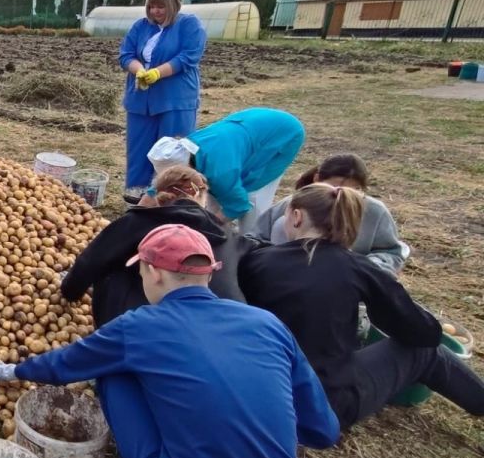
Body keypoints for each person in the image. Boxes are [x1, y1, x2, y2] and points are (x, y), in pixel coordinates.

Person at [0, 225, 339, 458]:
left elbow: (67, 364)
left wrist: (12, 371)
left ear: (153, 272)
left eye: (140, 272)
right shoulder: (268, 324)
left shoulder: (140, 327)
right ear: (209, 274)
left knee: (114, 373)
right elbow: (323, 430)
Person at [240, 184, 484, 430]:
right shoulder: (359, 269)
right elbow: (424, 333)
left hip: (259, 398)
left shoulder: (256, 260)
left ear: (296, 216)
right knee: (426, 351)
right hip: (319, 408)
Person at [60, 165, 252, 326]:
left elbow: (91, 261)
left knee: (113, 266)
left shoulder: (140, 221)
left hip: (145, 326)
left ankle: (112, 332)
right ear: (203, 198)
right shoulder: (227, 234)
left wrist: (68, 293)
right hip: (222, 326)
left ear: (159, 195)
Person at [247, 153, 409, 274]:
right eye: (333, 187)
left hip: (348, 282)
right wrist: (277, 260)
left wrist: (365, 269)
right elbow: (255, 239)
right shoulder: (293, 204)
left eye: (355, 191)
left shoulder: (374, 211)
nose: (341, 196)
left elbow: (392, 252)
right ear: (317, 179)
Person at [119, 0, 206, 201]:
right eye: (151, 7)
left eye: (161, 7)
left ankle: (171, 197)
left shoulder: (189, 25)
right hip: (141, 99)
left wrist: (158, 72)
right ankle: (136, 197)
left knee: (171, 152)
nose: (155, 11)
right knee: (139, 148)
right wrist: (139, 71)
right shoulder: (141, 26)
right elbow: (126, 55)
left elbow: (188, 57)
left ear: (174, 5)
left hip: (174, 99)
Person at [149, 107, 305, 229]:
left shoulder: (222, 171)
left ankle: (253, 242)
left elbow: (239, 205)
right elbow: (163, 185)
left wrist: (207, 227)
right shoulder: (184, 149)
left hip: (282, 132)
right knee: (216, 196)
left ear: (186, 171)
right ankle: (221, 239)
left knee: (252, 197)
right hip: (250, 123)